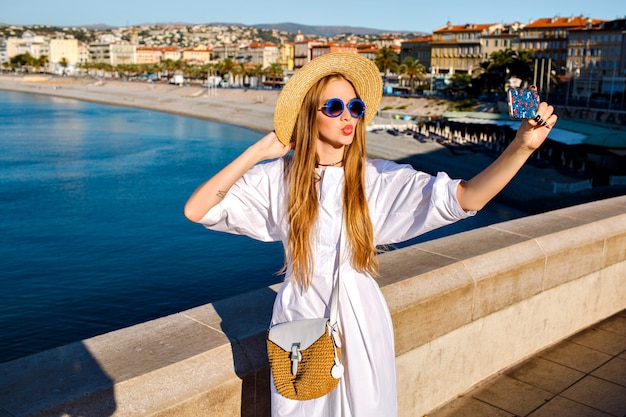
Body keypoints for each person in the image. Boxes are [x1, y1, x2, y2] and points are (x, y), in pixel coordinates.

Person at [184, 53, 556, 417]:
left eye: (355, 107)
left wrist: (521, 147)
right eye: (333, 106)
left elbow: (466, 197)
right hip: (299, 327)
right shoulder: (277, 180)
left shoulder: (376, 179)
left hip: (361, 325)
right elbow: (198, 210)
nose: (348, 116)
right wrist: (258, 151)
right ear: (308, 114)